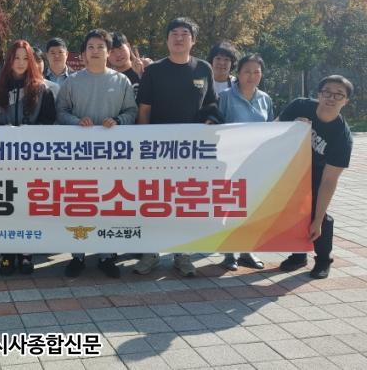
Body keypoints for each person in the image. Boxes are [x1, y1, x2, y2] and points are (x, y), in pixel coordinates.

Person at [135, 17, 221, 278]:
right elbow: (144, 110)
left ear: (193, 40)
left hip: (191, 153)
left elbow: (212, 104)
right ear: (167, 39)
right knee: (154, 203)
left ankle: (182, 255)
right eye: (174, 33)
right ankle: (150, 253)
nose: (179, 38)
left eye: (185, 33)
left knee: (184, 204)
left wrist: (210, 120)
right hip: (157, 151)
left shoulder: (203, 69)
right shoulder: (154, 71)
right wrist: (144, 145)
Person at [56, 29, 138, 278]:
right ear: (83, 53)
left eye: (100, 47)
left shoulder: (121, 81)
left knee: (108, 202)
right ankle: (77, 255)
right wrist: (76, 122)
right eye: (90, 47)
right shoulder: (72, 82)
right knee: (80, 202)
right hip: (79, 157)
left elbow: (131, 111)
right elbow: (60, 112)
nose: (95, 51)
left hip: (111, 157)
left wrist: (118, 121)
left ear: (108, 52)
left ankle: (106, 255)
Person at [0, 40, 57, 275]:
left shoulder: (42, 90)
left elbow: (50, 122)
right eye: (17, 58)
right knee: (4, 205)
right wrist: (2, 133)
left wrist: (29, 133)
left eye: (26, 58)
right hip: (2, 161)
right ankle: (6, 251)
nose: (21, 63)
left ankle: (26, 252)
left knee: (27, 207)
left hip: (32, 162)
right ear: (9, 60)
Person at [278, 75, 354, 279]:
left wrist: (318, 220)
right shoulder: (300, 106)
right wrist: (291, 127)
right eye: (327, 92)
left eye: (339, 95)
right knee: (292, 211)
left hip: (318, 175)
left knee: (317, 215)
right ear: (319, 94)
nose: (331, 98)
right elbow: (273, 129)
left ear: (346, 101)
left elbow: (329, 181)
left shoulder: (342, 138)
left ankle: (323, 259)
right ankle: (298, 255)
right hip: (291, 169)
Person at [218, 54, 274, 271]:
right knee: (230, 208)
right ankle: (229, 253)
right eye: (247, 71)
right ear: (238, 74)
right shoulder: (225, 97)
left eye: (256, 72)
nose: (252, 76)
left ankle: (247, 251)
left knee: (252, 208)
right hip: (230, 163)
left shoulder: (265, 99)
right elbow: (216, 127)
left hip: (256, 163)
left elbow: (271, 129)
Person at [108, 32, 152, 99]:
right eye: (112, 51)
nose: (118, 54)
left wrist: (141, 74)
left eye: (120, 48)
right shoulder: (106, 78)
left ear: (128, 46)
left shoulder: (146, 67)